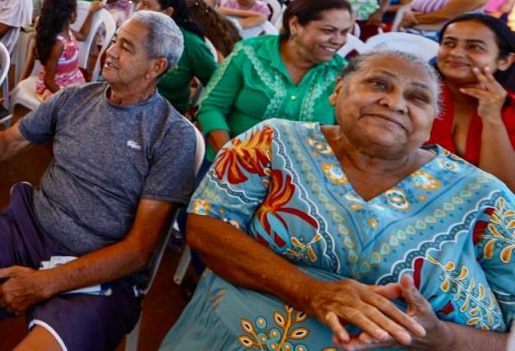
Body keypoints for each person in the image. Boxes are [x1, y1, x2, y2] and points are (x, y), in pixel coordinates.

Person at [162, 51, 515, 351]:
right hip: (230, 337)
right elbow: (206, 228)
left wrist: (438, 335)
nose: (395, 103)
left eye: (418, 97)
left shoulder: (485, 197)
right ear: (337, 91)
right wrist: (310, 292)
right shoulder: (273, 140)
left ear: (431, 121)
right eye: (379, 84)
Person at [0, 11, 199, 351]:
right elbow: (5, 144)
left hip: (98, 268)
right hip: (30, 228)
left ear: (156, 67)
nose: (109, 51)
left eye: (125, 47)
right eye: (114, 40)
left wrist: (44, 283)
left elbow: (138, 250)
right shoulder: (75, 97)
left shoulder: (171, 136)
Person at [197, 0, 352, 160]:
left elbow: (345, 132)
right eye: (328, 30)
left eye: (344, 32)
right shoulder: (249, 54)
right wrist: (230, 158)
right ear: (295, 25)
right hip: (230, 162)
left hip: (301, 175)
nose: (338, 40)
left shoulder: (343, 74)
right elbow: (212, 107)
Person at [427, 13, 515, 192]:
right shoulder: (414, 96)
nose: (456, 53)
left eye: (475, 47)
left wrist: (492, 118)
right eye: (449, 43)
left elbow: (503, 192)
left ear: (505, 61)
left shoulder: (511, 110)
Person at [138, 0, 217, 114]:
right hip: (125, 105)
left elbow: (218, 85)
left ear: (168, 12)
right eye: (139, 1)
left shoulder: (191, 44)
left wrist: (204, 115)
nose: (138, 8)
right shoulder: (133, 31)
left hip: (165, 116)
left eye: (145, 4)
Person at [29, 0, 92, 100]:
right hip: (55, 86)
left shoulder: (67, 31)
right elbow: (48, 80)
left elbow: (83, 35)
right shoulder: (58, 44)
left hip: (72, 79)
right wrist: (65, 96)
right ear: (71, 14)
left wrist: (91, 12)